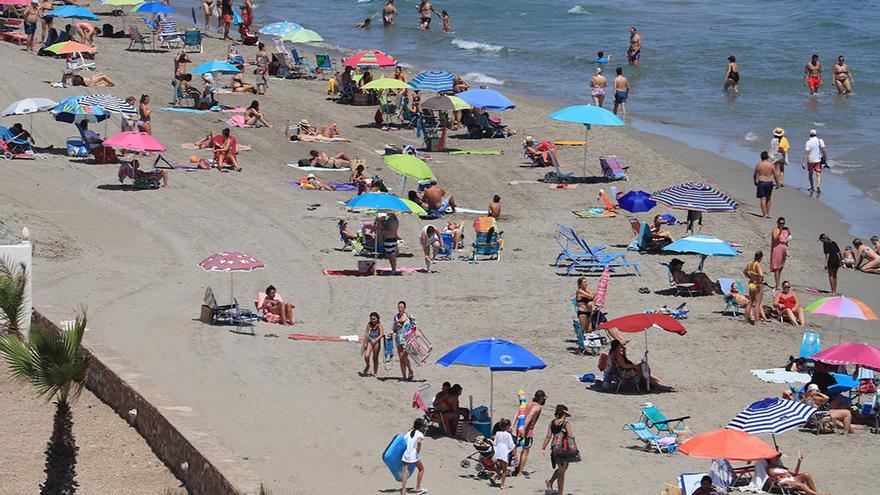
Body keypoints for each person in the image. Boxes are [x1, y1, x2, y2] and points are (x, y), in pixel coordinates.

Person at [541, 405, 580, 495]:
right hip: (565, 449)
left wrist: (543, 448)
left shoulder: (552, 423)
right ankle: (560, 493)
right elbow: (570, 436)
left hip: (555, 448)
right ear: (564, 413)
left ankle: (550, 482)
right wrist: (575, 449)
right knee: (562, 472)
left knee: (562, 469)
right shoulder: (566, 424)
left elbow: (548, 436)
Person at [511, 390, 545, 478]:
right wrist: (524, 428)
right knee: (525, 451)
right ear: (541, 399)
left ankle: (516, 469)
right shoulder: (538, 407)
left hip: (517, 430)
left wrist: (513, 425)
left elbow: (518, 413)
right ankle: (520, 472)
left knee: (514, 449)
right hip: (527, 432)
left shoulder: (526, 404)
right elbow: (530, 416)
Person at [400, 418, 427, 495]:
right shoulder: (420, 434)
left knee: (406, 471)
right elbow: (418, 442)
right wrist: (418, 449)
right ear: (420, 426)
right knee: (421, 469)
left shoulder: (409, 433)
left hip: (406, 454)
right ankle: (418, 487)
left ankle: (403, 491)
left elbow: (404, 441)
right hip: (414, 455)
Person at [753, 151, 780, 218]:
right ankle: (767, 213)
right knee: (768, 198)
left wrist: (755, 181)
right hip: (769, 182)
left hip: (761, 182)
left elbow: (755, 174)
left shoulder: (758, 165)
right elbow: (775, 175)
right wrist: (778, 183)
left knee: (762, 198)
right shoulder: (771, 165)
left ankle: (764, 214)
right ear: (767, 157)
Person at [743, 251, 768, 324]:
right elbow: (761, 275)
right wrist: (761, 281)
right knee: (757, 303)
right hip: (757, 285)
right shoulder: (757, 264)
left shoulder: (750, 263)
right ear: (760, 257)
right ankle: (756, 321)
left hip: (751, 284)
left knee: (750, 302)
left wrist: (750, 277)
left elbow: (744, 272)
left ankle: (745, 320)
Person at [489, 419, 515, 489]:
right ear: (507, 427)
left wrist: (495, 452)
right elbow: (511, 445)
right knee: (504, 470)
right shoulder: (508, 435)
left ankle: (494, 476)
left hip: (498, 452)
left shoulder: (497, 433)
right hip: (504, 453)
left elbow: (495, 443)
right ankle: (502, 485)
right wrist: (514, 454)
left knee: (499, 467)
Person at [391, 301, 414, 379]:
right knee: (401, 358)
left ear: (404, 308)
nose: (400, 309)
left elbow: (415, 325)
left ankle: (410, 370)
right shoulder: (396, 317)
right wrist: (391, 332)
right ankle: (404, 376)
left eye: (402, 307)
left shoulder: (409, 316)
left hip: (407, 338)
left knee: (404, 356)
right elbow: (394, 328)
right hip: (398, 338)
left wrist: (416, 331)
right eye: (399, 307)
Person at [802, 129, 827, 193]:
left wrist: (804, 162)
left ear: (810, 135)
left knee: (810, 174)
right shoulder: (820, 140)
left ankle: (812, 187)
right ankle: (818, 185)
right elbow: (824, 150)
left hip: (810, 160)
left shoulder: (808, 142)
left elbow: (806, 153)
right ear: (816, 134)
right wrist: (825, 158)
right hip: (817, 160)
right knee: (818, 174)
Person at [769, 217, 790, 289]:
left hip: (783, 250)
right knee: (776, 267)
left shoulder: (785, 231)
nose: (782, 225)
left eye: (783, 223)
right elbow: (775, 238)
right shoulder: (775, 230)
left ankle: (778, 282)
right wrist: (780, 231)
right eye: (780, 223)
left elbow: (788, 239)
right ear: (777, 223)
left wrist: (789, 232)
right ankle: (777, 284)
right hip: (777, 249)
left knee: (781, 267)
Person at [361, 312, 383, 376]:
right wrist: (365, 343)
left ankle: (375, 373)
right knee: (366, 356)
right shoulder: (369, 324)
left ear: (377, 318)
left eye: (374, 319)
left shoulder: (379, 325)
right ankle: (368, 365)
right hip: (370, 341)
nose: (373, 320)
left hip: (376, 342)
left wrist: (376, 339)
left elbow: (381, 334)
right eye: (371, 319)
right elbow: (366, 333)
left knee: (375, 358)